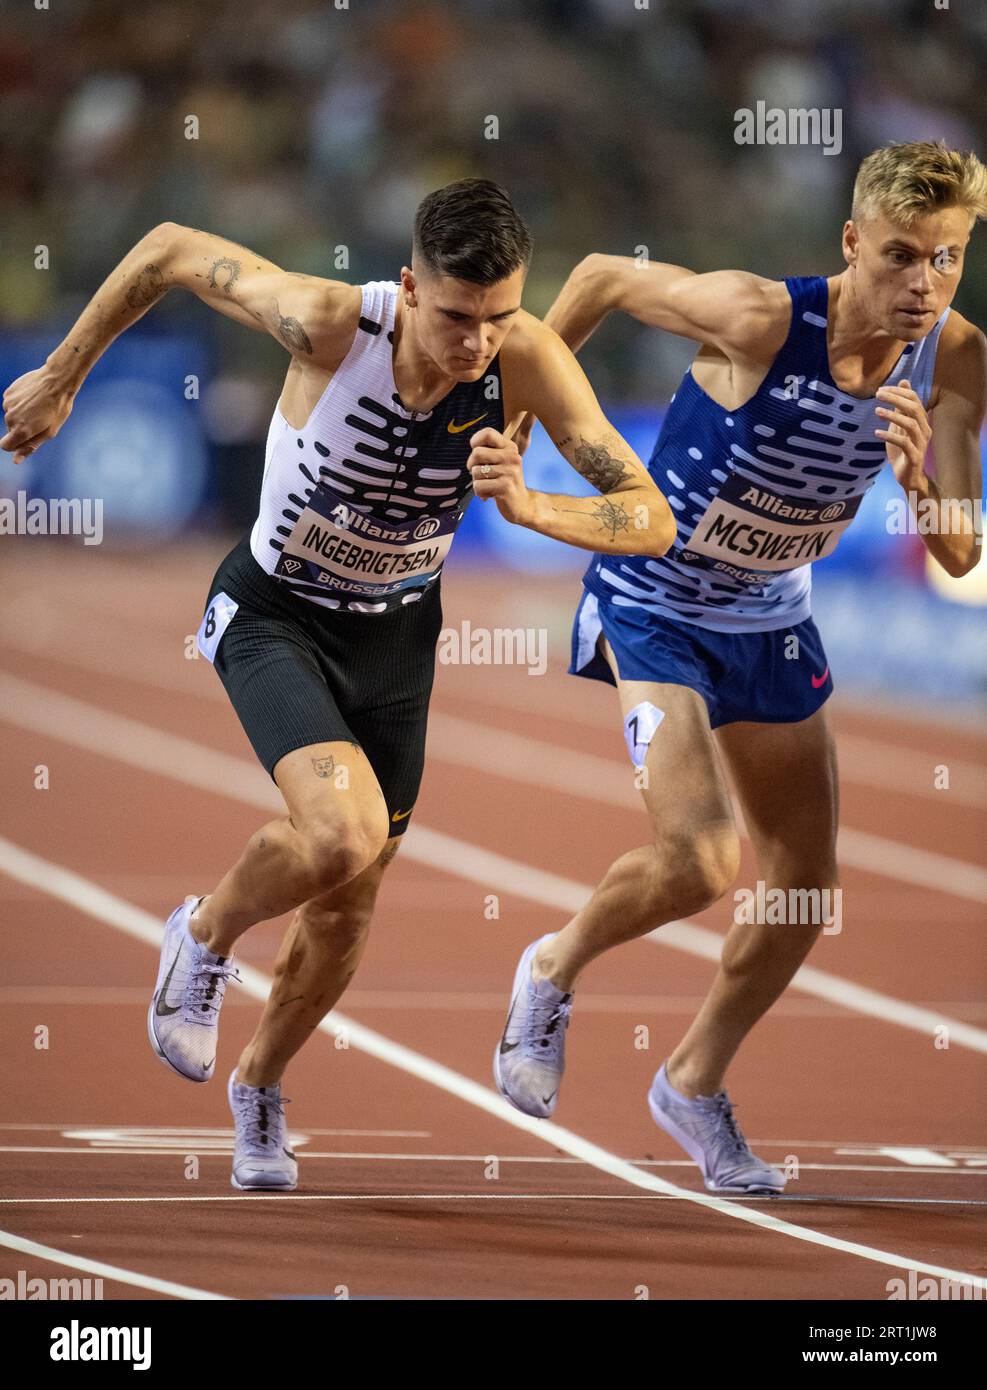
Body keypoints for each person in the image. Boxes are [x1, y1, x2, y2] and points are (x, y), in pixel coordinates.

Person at [1, 178, 675, 1192]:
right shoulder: (325, 323)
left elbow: (647, 515)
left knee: (348, 906)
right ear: (408, 289)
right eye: (454, 317)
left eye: (497, 318)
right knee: (336, 833)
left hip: (398, 639)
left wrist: (535, 510)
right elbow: (172, 245)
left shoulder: (526, 360)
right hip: (275, 615)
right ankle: (203, 932)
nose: (476, 344)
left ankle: (260, 1085)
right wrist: (59, 377)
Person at [494, 141, 986, 1194]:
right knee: (700, 862)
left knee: (804, 886)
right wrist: (521, 417)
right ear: (852, 241)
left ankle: (691, 1082)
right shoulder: (762, 316)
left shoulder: (954, 357)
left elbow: (959, 551)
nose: (922, 285)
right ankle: (552, 964)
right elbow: (595, 280)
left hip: (771, 614)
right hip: (657, 596)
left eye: (946, 260)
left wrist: (917, 485)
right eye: (900, 256)